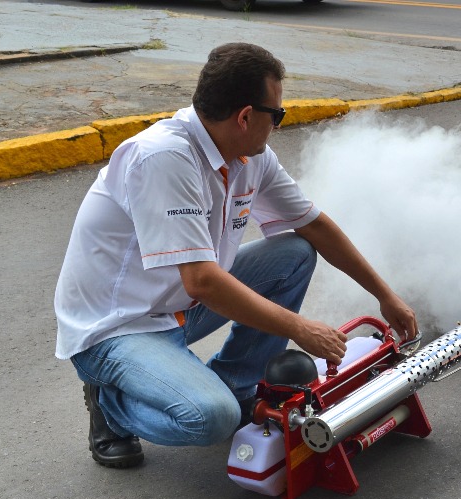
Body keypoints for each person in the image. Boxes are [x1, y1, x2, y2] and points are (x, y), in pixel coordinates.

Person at [54, 42, 417, 468]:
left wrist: (385, 295)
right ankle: (111, 406)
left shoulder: (249, 157)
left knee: (295, 252)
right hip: (117, 327)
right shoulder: (164, 158)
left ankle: (237, 386)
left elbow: (313, 226)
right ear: (245, 116)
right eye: (276, 115)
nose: (277, 126)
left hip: (176, 307)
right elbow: (202, 280)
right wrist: (299, 328)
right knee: (211, 419)